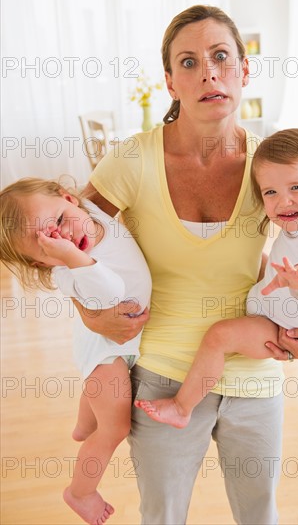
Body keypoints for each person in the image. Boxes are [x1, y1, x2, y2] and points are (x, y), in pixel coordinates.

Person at [77, 5, 298, 525]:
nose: (209, 73)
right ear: (171, 82)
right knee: (163, 515)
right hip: (163, 375)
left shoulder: (273, 164)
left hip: (256, 367)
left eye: (221, 57)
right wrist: (91, 314)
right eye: (189, 63)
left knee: (260, 514)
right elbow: (68, 238)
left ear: (244, 70)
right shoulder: (133, 159)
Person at [134, 128, 298, 428]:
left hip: (282, 329)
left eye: (297, 188)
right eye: (271, 192)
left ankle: (182, 407)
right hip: (274, 313)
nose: (283, 202)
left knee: (219, 336)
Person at [0, 178, 152, 525]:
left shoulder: (92, 210)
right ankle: (80, 492)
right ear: (41, 263)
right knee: (114, 428)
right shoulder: (69, 271)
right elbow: (110, 294)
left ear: (70, 198)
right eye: (48, 243)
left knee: (99, 408)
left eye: (59, 221)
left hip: (113, 347)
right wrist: (73, 258)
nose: (64, 238)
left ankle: (84, 425)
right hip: (105, 353)